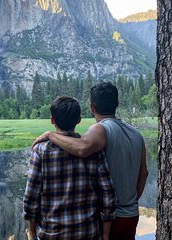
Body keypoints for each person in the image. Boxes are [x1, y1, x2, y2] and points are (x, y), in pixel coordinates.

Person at [33, 82, 148, 240]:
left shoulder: (100, 129)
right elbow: (144, 173)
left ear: (92, 107)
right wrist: (132, 201)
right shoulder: (136, 134)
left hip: (109, 217)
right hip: (131, 214)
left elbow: (82, 148)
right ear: (117, 104)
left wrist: (50, 135)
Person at [23, 96, 116, 240]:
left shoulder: (40, 151)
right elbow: (107, 194)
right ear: (79, 120)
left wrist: (32, 232)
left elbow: (31, 197)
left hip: (51, 235)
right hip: (88, 233)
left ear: (52, 120)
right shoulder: (93, 149)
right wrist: (105, 234)